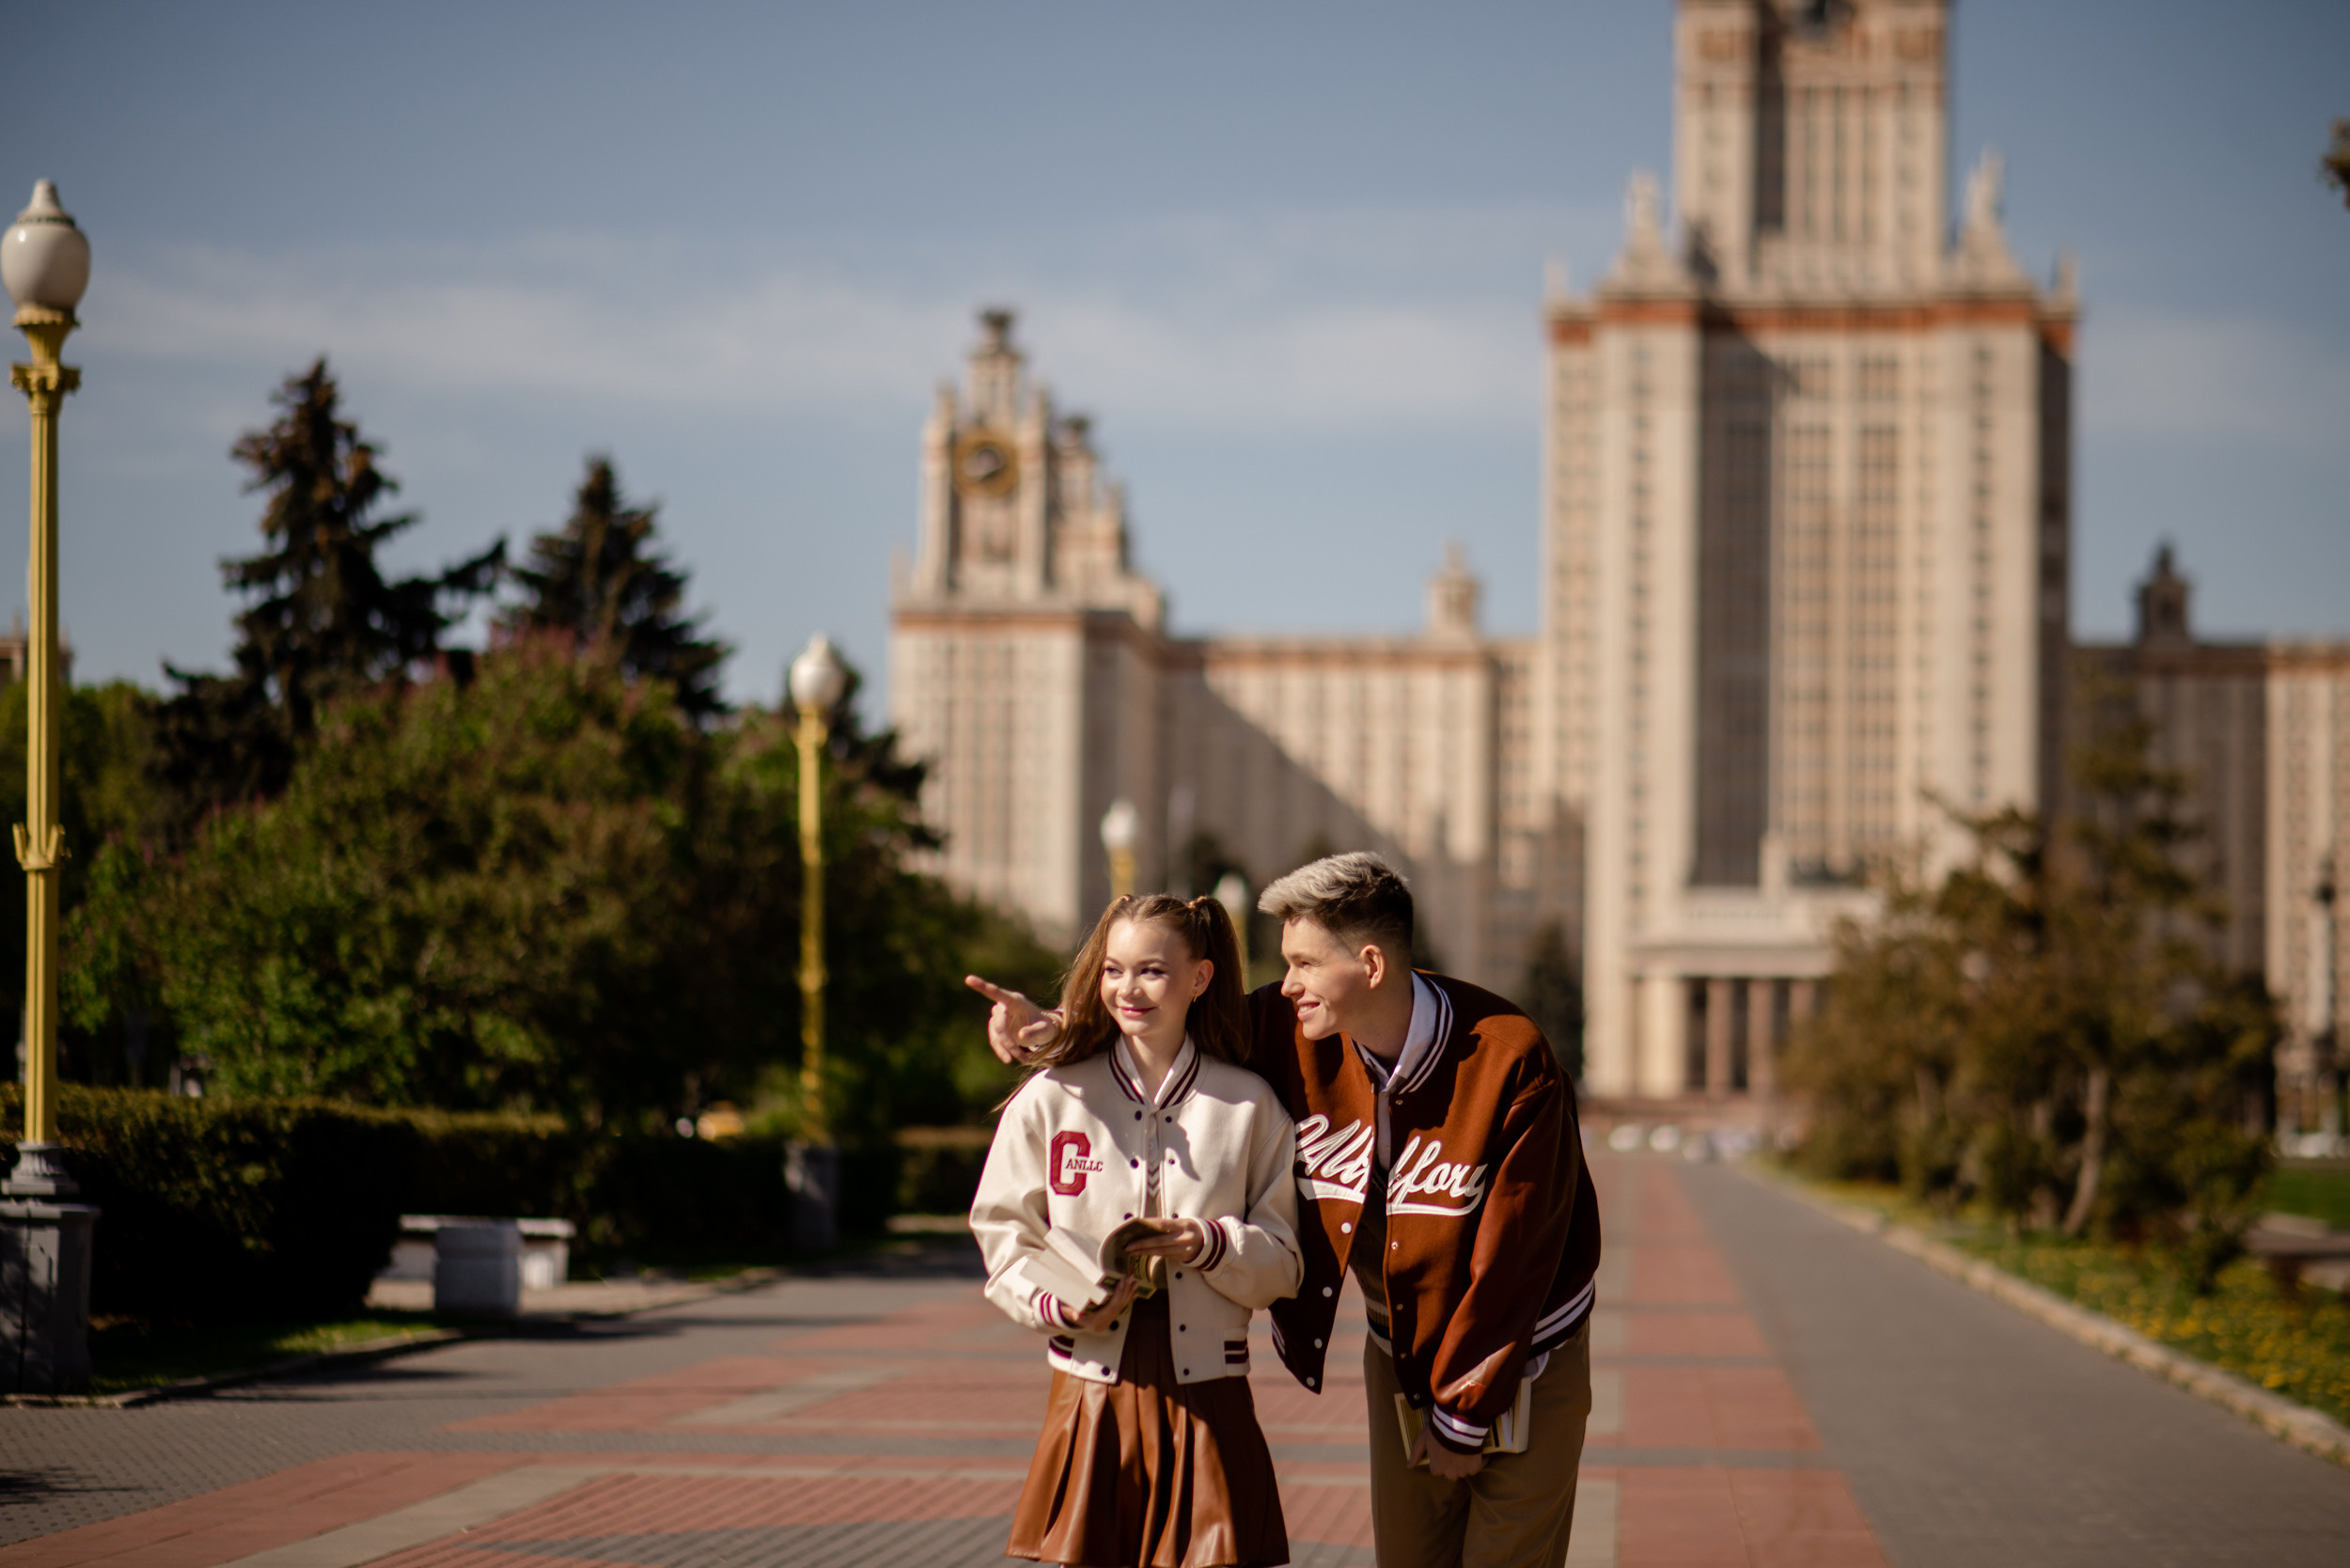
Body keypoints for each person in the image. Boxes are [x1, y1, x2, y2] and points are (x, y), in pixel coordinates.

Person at [971, 853, 1600, 1568]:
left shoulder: (1510, 1057)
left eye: (1303, 962)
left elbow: (1517, 1260)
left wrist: (1462, 1413)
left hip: (1524, 1358)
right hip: (1399, 1352)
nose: (1288, 983)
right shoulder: (1289, 1025)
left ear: (1369, 964)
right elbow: (1161, 1022)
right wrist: (1053, 1033)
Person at [970, 892, 1304, 1568]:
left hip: (1210, 1392)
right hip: (1088, 1391)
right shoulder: (1053, 1095)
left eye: (1152, 970)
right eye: (1113, 970)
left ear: (1200, 978)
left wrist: (1211, 1244)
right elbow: (1003, 1233)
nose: (1129, 989)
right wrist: (1062, 1304)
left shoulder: (1249, 1105)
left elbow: (1285, 1265)